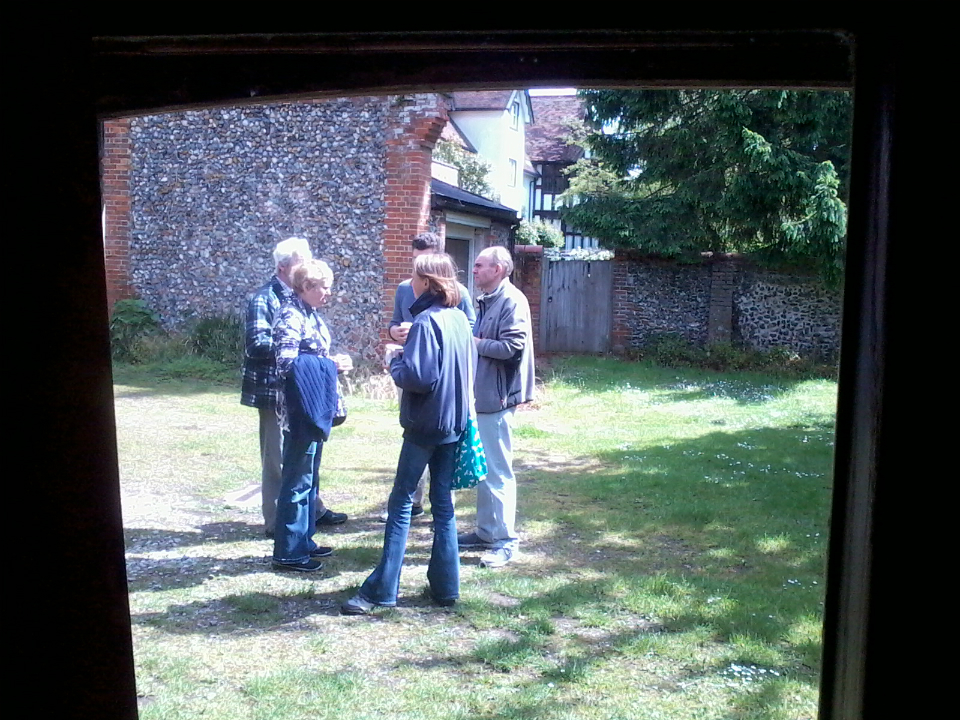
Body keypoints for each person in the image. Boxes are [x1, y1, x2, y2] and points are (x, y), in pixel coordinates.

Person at [342, 253, 476, 612]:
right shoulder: (460, 320)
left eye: (415, 276)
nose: (410, 282)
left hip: (425, 426)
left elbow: (419, 378)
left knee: (401, 503)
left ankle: (381, 591)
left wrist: (394, 360)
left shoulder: (427, 322)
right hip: (454, 423)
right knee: (443, 506)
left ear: (428, 282)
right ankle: (446, 588)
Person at [241, 238, 347, 538]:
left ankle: (311, 510)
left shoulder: (304, 302)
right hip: (274, 392)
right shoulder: (267, 298)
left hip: (301, 393)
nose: (308, 269)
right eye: (302, 262)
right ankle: (278, 522)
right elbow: (256, 345)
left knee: (305, 455)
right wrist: (305, 352)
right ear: (283, 266)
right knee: (276, 458)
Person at [380, 232, 476, 521]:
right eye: (414, 263)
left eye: (420, 268)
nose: (414, 275)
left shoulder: (458, 296)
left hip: (442, 381)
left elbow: (467, 329)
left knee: (428, 440)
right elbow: (396, 322)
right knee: (422, 430)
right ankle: (418, 502)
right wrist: (394, 332)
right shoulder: (403, 289)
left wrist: (393, 362)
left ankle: (431, 503)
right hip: (414, 368)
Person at [272, 259, 353, 572]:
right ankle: (289, 553)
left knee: (309, 478)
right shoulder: (290, 314)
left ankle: (303, 540)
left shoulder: (310, 312)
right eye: (324, 286)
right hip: (299, 411)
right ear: (305, 287)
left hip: (314, 409)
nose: (328, 293)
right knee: (297, 480)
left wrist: (332, 362)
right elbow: (286, 363)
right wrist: (330, 365)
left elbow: (313, 357)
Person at [457, 246, 535, 569]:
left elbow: (512, 347)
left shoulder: (511, 300)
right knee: (485, 468)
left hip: (498, 398)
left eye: (479, 266)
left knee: (499, 471)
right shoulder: (488, 299)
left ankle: (506, 541)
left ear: (499, 270)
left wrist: (473, 344)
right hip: (484, 395)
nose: (473, 271)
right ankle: (486, 531)